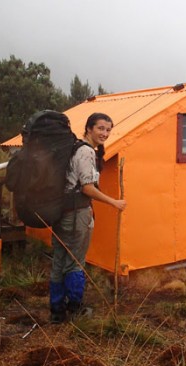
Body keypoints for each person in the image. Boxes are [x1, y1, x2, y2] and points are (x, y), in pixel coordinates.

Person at [49, 112, 127, 324]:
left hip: (60, 212)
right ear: (89, 128)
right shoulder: (85, 152)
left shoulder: (73, 147)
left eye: (108, 129)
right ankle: (75, 308)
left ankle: (57, 309)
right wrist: (114, 202)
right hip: (76, 215)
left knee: (60, 260)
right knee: (75, 262)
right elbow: (87, 188)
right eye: (101, 128)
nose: (105, 133)